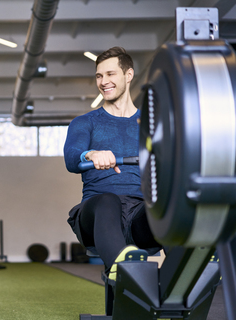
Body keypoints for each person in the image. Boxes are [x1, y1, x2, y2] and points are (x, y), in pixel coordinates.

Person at [64, 47, 161, 281]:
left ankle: (187, 276)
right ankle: (125, 273)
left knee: (166, 208)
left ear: (128, 75)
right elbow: (71, 157)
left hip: (140, 214)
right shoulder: (85, 122)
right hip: (97, 215)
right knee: (108, 200)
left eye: (110, 74)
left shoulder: (151, 124)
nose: (103, 81)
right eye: (99, 76)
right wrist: (91, 154)